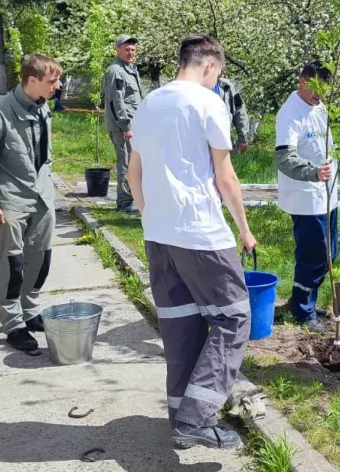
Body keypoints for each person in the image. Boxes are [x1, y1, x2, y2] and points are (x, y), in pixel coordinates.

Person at [126, 35, 256, 450]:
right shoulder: (207, 103)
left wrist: (151, 218)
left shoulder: (148, 104)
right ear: (211, 66)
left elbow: (133, 176)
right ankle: (197, 419)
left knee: (180, 325)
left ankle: (180, 416)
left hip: (158, 236)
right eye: (219, 74)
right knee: (234, 318)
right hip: (200, 233)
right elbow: (225, 177)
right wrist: (244, 228)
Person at [0, 54, 63, 353]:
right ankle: (13, 324)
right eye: (52, 81)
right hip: (10, 201)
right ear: (32, 80)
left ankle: (30, 312)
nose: (57, 86)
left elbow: (43, 157)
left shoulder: (41, 107)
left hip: (42, 199)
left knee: (40, 261)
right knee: (13, 265)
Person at [274, 61, 339, 334]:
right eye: (314, 88)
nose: (319, 95)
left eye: (324, 90)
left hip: (327, 194)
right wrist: (312, 173)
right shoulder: (291, 113)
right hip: (306, 196)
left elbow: (329, 146)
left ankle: (305, 300)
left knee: (329, 254)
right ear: (302, 80)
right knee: (313, 255)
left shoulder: (320, 107)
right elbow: (284, 157)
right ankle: (302, 311)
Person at [103, 35, 144, 213]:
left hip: (134, 125)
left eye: (133, 50)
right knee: (126, 162)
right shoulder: (116, 71)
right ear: (117, 49)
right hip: (123, 127)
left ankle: (133, 197)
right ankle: (125, 201)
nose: (131, 53)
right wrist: (126, 126)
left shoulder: (130, 69)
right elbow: (116, 101)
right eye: (127, 49)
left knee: (134, 161)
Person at [215, 76, 250, 153]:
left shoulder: (227, 86)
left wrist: (242, 138)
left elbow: (239, 110)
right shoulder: (194, 85)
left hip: (225, 136)